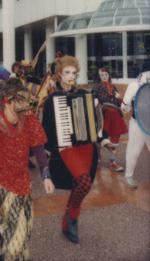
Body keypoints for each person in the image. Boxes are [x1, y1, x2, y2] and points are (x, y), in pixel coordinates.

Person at [0, 78, 55, 261]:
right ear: (7, 100)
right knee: (18, 236)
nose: (26, 106)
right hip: (1, 185)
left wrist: (46, 175)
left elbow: (38, 146)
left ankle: (2, 254)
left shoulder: (27, 118)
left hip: (23, 182)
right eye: (21, 100)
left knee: (19, 228)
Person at [42, 55, 113, 244]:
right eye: (67, 72)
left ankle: (70, 217)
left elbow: (96, 121)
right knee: (82, 182)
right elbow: (46, 127)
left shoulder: (85, 95)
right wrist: (48, 150)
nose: (71, 76)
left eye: (74, 72)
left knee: (85, 185)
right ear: (59, 74)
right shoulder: (52, 99)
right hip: (67, 147)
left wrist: (105, 140)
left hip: (86, 146)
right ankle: (71, 218)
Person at [92, 67, 127, 172]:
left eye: (106, 75)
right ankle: (97, 155)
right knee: (101, 136)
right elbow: (93, 102)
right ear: (99, 77)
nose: (104, 77)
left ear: (109, 75)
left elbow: (119, 102)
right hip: (103, 116)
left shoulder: (113, 87)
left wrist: (120, 99)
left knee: (115, 137)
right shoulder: (97, 88)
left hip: (115, 115)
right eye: (102, 75)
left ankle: (113, 161)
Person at [121, 63, 150, 188]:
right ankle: (128, 176)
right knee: (133, 151)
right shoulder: (134, 85)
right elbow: (124, 108)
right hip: (137, 124)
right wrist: (126, 105)